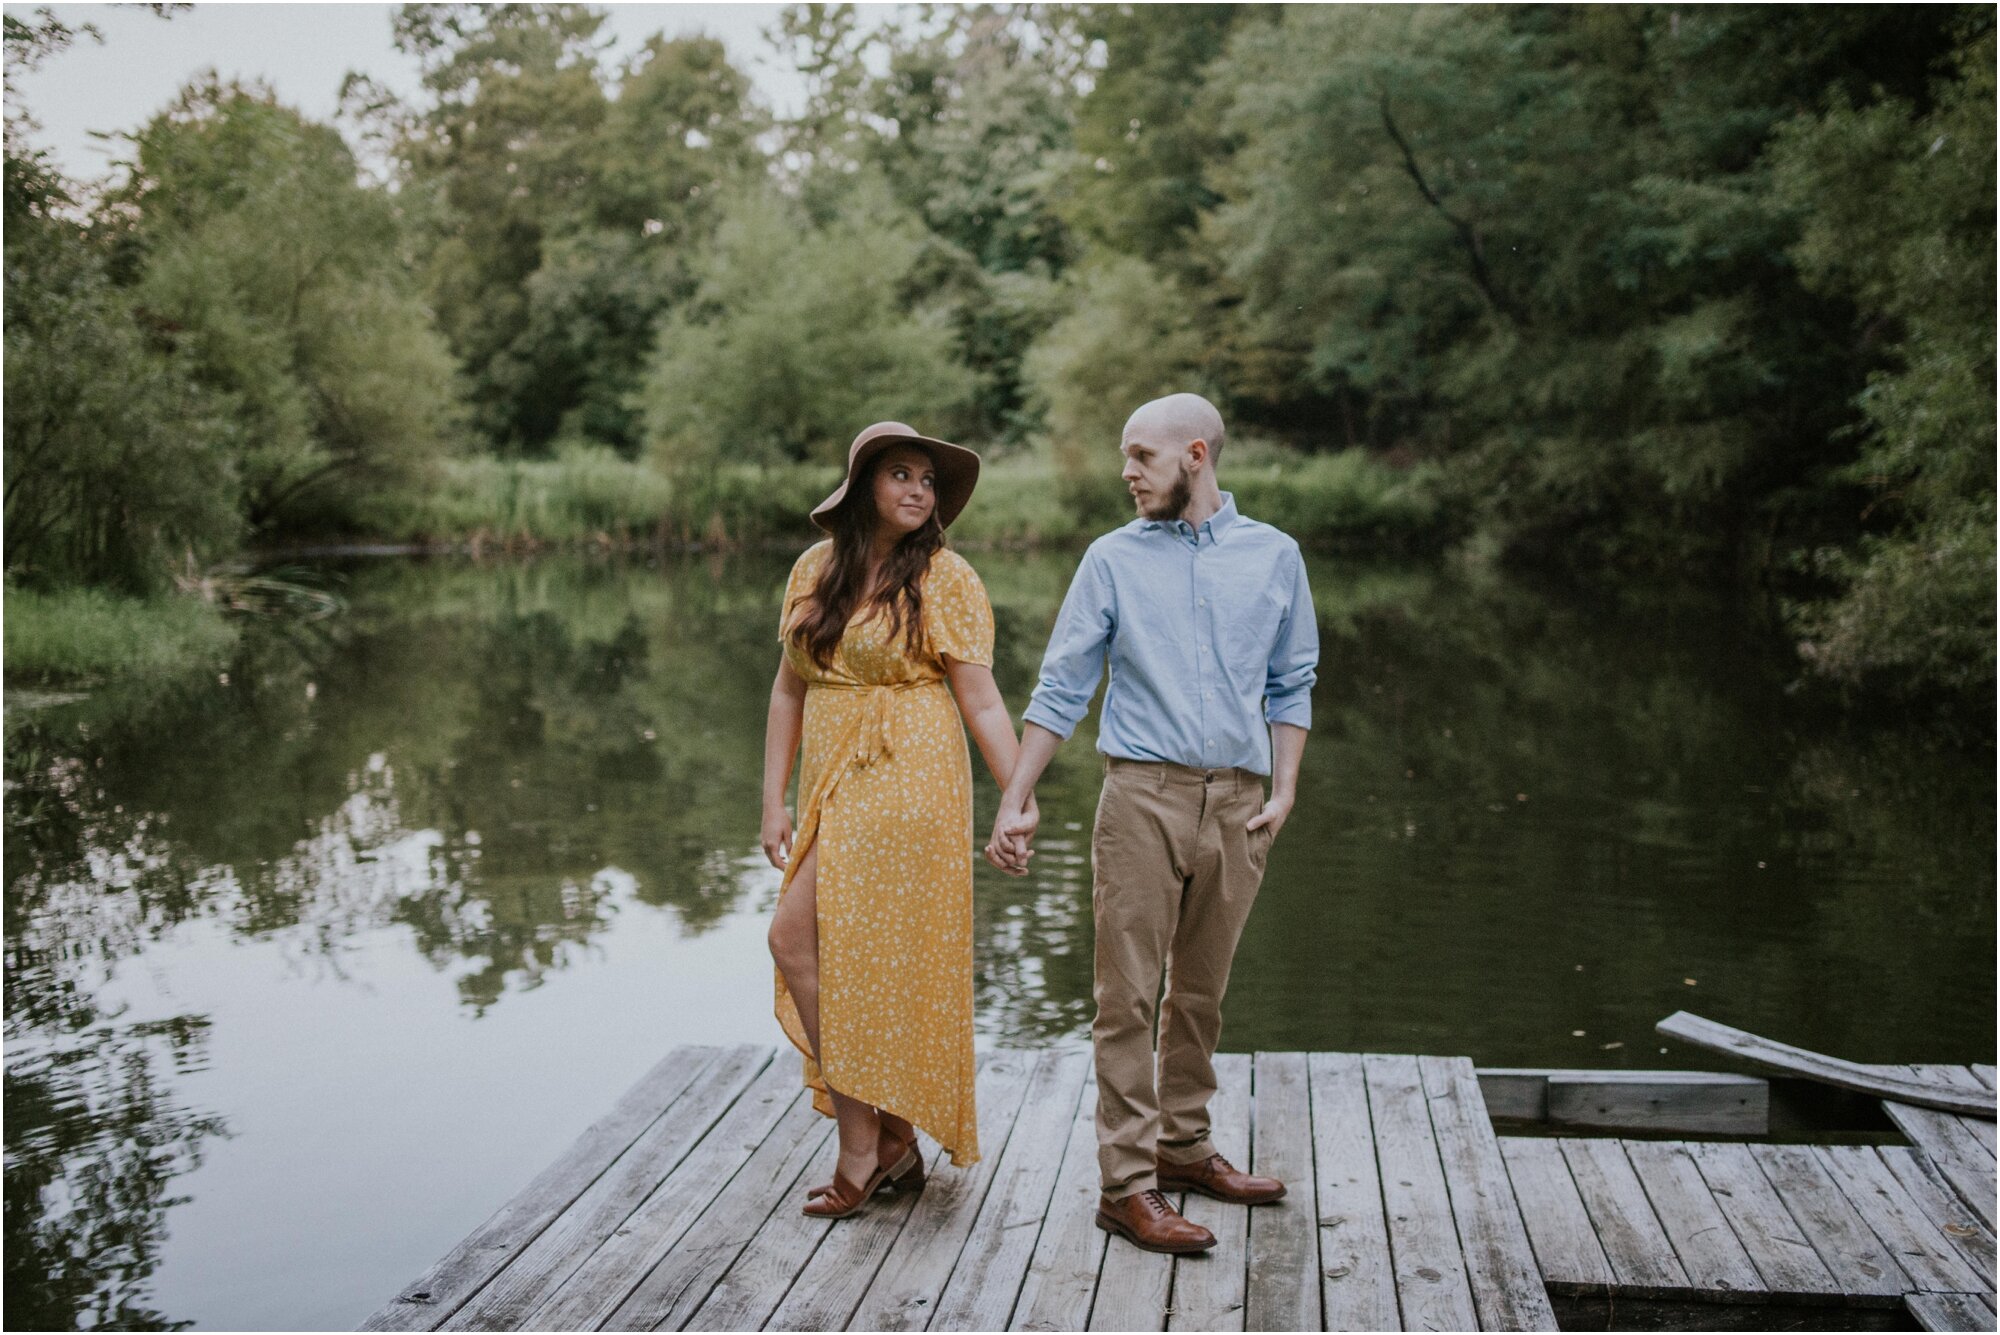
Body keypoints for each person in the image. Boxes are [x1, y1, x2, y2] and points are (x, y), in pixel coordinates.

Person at [986, 393, 1318, 1254]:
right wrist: (1017, 795)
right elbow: (1062, 686)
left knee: (1201, 992)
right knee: (1126, 996)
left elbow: (1292, 681)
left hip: (1242, 803)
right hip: (1141, 796)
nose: (1127, 473)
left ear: (1195, 455)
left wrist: (1283, 791)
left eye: (1141, 456)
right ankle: (1127, 1185)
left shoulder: (1274, 555)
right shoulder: (1111, 560)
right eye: (1125, 458)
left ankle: (1184, 1147)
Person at [761, 420, 1030, 1219]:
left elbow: (979, 697)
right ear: (863, 486)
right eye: (901, 475)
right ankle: (884, 1135)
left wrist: (1017, 797)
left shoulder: (945, 576)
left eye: (928, 481)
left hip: (913, 773)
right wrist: (771, 798)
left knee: (883, 953)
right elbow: (787, 689)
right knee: (799, 939)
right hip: (832, 774)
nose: (918, 491)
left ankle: (866, 1145)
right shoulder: (816, 569)